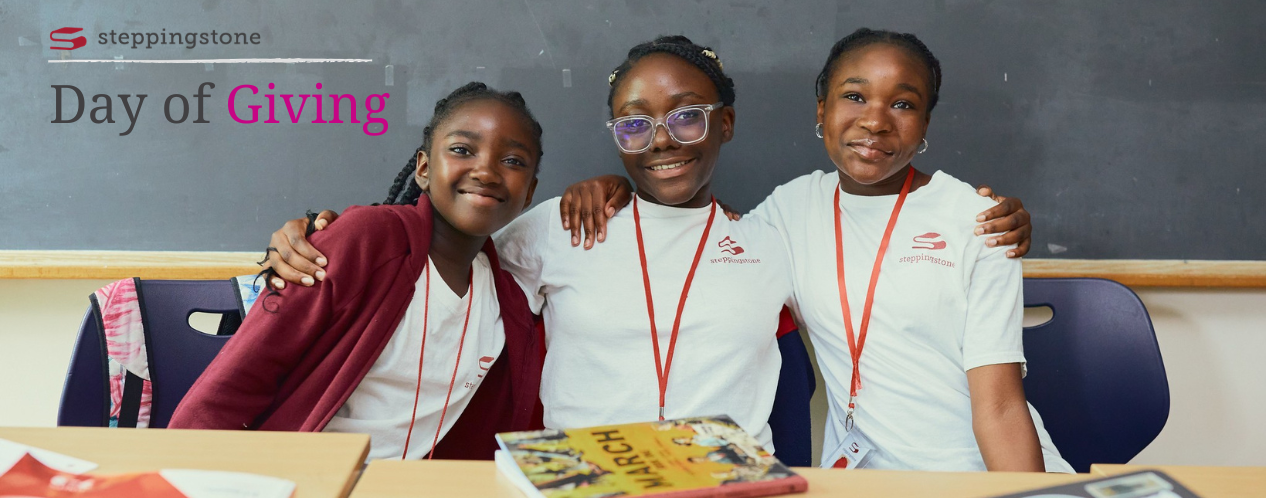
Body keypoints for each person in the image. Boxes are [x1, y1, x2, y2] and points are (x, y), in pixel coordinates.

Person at [261, 36, 1035, 458]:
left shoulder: (773, 236)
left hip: (726, 480)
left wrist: (987, 218)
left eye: (688, 117)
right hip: (573, 472)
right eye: (634, 125)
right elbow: (438, 253)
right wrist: (317, 232)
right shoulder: (559, 226)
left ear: (726, 124)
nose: (662, 140)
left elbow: (873, 248)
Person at [557, 29, 1071, 473]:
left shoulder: (980, 221)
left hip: (980, 475)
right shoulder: (791, 209)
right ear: (822, 111)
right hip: (860, 478)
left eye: (903, 104)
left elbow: (1001, 408)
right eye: (855, 96)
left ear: (925, 125)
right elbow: (700, 231)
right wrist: (617, 188)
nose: (875, 121)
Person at [169, 82, 546, 461]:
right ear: (424, 169)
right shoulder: (366, 241)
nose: (486, 172)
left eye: (513, 161)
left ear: (529, 192)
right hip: (302, 476)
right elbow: (235, 383)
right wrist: (186, 470)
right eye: (462, 150)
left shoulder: (508, 301)